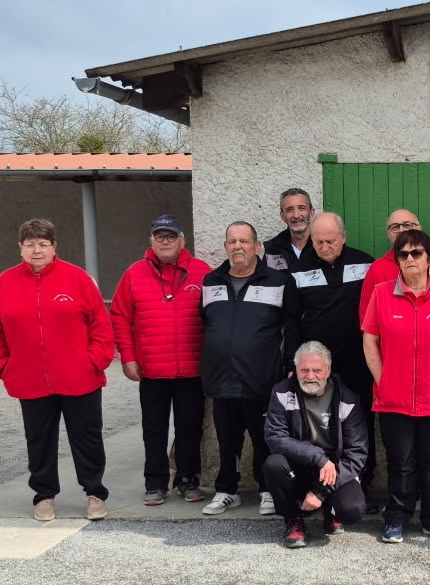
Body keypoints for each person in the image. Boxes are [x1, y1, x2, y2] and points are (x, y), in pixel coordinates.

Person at [0, 218, 114, 521]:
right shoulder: (5, 282)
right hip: (30, 380)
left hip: (80, 378)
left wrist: (94, 360)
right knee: (38, 439)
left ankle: (94, 492)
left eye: (43, 244)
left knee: (87, 437)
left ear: (54, 247)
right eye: (30, 244)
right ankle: (44, 495)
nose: (36, 250)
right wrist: (4, 365)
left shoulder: (77, 279)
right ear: (21, 248)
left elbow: (101, 325)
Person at [358, 207, 430, 516]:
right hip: (395, 396)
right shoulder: (382, 293)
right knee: (401, 462)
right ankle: (397, 517)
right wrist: (382, 379)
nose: (409, 259)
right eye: (403, 254)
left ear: (429, 258)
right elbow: (369, 336)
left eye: (416, 253)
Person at [111, 214, 212, 505]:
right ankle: (155, 484)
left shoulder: (202, 272)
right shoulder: (134, 273)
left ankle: (188, 480)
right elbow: (119, 315)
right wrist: (128, 358)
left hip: (192, 369)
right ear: (151, 241)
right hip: (152, 370)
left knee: (190, 429)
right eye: (159, 236)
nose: (165, 241)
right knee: (153, 430)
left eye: (171, 236)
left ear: (182, 240)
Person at [283, 213, 375, 495]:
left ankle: (362, 483)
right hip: (317, 368)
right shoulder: (298, 271)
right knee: (318, 425)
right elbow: (291, 321)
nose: (325, 247)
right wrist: (291, 363)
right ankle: (317, 485)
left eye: (331, 241)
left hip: (359, 363)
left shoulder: (365, 262)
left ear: (344, 237)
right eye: (319, 242)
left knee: (361, 425)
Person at [200, 221, 287, 515]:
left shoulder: (277, 281)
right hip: (222, 380)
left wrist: (286, 368)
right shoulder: (211, 282)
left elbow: (290, 328)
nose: (238, 246)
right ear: (225, 247)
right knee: (227, 440)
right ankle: (226, 490)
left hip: (261, 379)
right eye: (232, 241)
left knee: (264, 439)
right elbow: (207, 325)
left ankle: (267, 490)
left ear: (256, 246)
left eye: (244, 241)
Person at [263, 341, 368, 548]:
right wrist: (317, 457)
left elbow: (357, 453)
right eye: (304, 370)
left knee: (352, 510)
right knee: (273, 464)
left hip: (333, 470)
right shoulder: (282, 392)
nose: (310, 376)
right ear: (296, 370)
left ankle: (330, 509)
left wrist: (321, 490)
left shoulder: (348, 398)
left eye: (317, 370)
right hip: (300, 466)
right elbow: (275, 437)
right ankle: (294, 520)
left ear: (328, 370)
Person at [263, 188, 315, 271]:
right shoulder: (273, 249)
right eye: (290, 210)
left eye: (301, 208)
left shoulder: (324, 245)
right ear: (282, 216)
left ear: (311, 212)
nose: (296, 215)